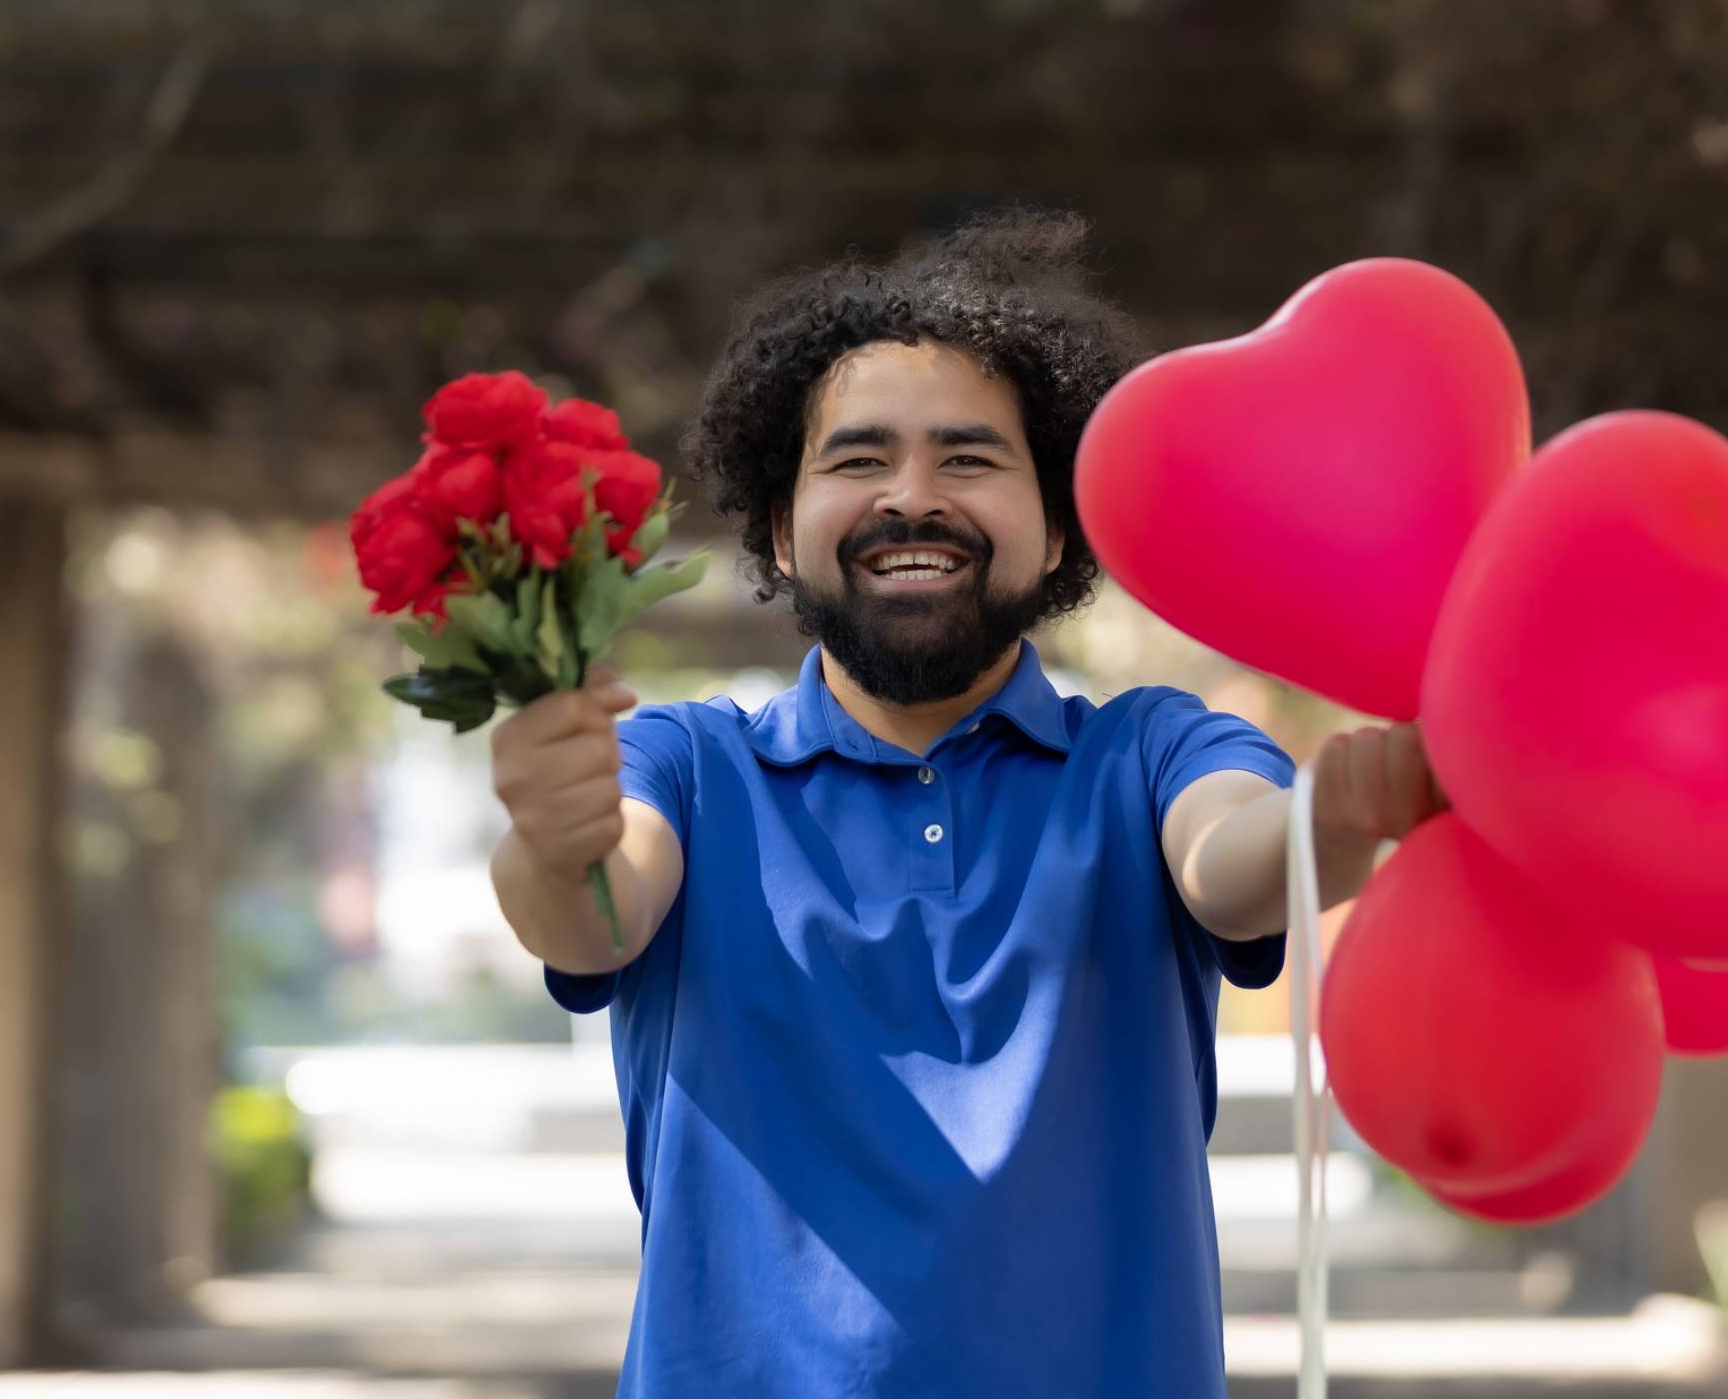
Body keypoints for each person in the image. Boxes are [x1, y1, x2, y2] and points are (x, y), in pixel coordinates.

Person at [486, 210, 1445, 1398]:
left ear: (1056, 536)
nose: (912, 497)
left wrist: (1340, 813)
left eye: (971, 458)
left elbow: (1235, 859)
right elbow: (593, 906)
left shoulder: (1150, 751)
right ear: (782, 533)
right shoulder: (688, 764)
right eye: (857, 458)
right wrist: (550, 834)